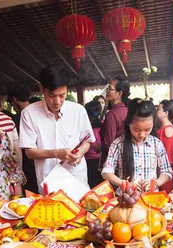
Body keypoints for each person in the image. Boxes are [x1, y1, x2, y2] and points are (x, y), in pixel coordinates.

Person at [19, 65, 94, 193]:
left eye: (62, 95)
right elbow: (29, 152)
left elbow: (87, 141)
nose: (57, 101)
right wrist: (57, 153)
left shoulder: (78, 111)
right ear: (41, 88)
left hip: (76, 179)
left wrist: (80, 153)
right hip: (48, 182)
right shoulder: (29, 113)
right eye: (52, 95)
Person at [101, 100, 172, 192]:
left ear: (153, 124)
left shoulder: (157, 144)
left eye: (147, 129)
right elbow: (106, 172)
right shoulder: (118, 144)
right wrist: (126, 184)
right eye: (136, 129)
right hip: (126, 198)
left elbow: (166, 172)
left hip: (150, 198)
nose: (142, 134)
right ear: (128, 123)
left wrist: (156, 183)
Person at [7, 80, 37, 193]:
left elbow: (17, 146)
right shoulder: (40, 113)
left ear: (14, 99)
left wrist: (19, 169)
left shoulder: (18, 118)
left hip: (28, 166)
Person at [100, 77, 130, 168]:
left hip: (112, 163)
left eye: (110, 89)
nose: (107, 91)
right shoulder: (128, 110)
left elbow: (109, 143)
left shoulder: (112, 114)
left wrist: (99, 147)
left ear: (119, 94)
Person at [156, 100, 173, 193]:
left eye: (158, 109)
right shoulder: (164, 129)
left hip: (166, 174)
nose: (156, 111)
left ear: (165, 113)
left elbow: (169, 158)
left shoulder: (168, 131)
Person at [84, 100, 104, 188]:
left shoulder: (86, 127)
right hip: (100, 160)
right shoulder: (103, 125)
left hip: (88, 160)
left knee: (91, 185)